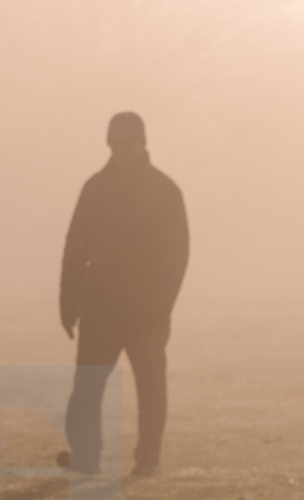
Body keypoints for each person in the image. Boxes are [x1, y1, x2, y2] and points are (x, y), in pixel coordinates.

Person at [59, 112, 189, 477]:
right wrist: (68, 304)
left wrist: (161, 304)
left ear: (143, 142)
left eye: (128, 141)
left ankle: (147, 459)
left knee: (150, 387)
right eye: (115, 142)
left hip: (146, 311)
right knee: (86, 388)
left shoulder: (165, 191)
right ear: (108, 144)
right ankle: (86, 458)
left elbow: (177, 254)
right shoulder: (94, 189)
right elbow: (75, 248)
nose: (122, 148)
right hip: (99, 308)